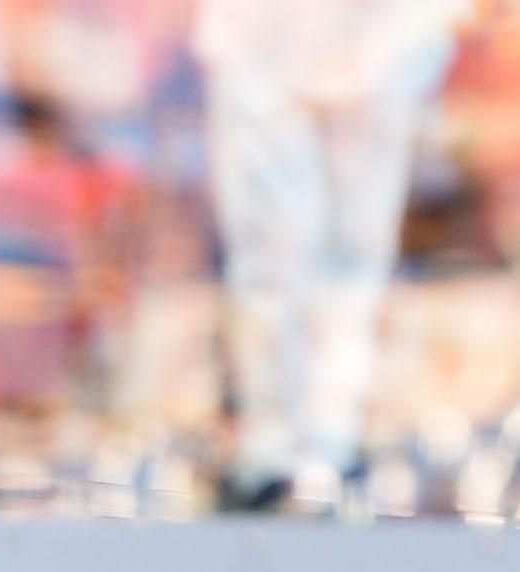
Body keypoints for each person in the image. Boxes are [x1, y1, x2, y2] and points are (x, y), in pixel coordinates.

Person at [198, 0, 472, 507]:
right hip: (263, 53)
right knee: (272, 259)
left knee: (353, 261)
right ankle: (270, 448)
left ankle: (329, 441)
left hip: (382, 51)